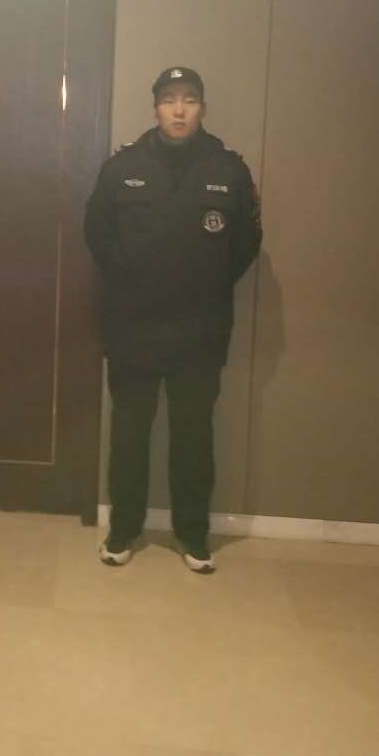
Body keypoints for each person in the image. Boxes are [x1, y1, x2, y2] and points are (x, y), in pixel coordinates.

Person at [83, 66, 261, 572]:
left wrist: (201, 286)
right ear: (156, 107)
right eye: (169, 100)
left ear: (202, 107)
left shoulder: (228, 170)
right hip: (133, 326)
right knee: (129, 435)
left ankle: (193, 535)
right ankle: (123, 530)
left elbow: (245, 245)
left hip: (200, 328)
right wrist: (135, 284)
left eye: (189, 99)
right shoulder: (122, 167)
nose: (179, 110)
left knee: (193, 437)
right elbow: (97, 234)